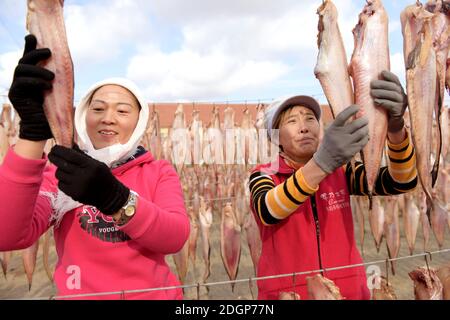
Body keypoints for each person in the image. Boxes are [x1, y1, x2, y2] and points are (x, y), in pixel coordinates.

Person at [0, 35, 190, 299]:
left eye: (122, 111)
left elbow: (174, 237)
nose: (108, 119)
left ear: (139, 121)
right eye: (98, 109)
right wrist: (32, 133)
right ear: (83, 116)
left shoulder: (159, 171)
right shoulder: (60, 174)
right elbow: (6, 235)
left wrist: (114, 198)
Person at [248, 71, 417, 300]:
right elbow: (268, 210)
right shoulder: (264, 174)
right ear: (275, 137)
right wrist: (321, 164)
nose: (304, 127)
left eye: (310, 118)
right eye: (292, 121)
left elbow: (401, 181)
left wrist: (396, 129)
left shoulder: (341, 172)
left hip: (348, 294)